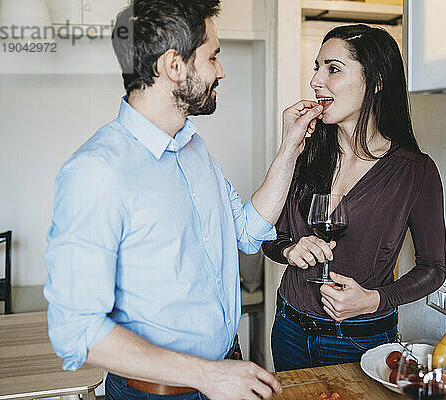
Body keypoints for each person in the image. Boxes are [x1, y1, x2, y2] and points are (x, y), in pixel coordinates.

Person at [43, 1, 323, 399]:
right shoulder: (96, 172)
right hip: (157, 393)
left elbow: (247, 231)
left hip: (223, 374)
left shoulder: (195, 149)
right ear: (174, 65)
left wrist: (291, 146)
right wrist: (206, 375)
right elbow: (78, 331)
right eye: (213, 56)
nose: (220, 71)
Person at [262, 24, 446, 371]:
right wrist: (289, 249)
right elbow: (268, 236)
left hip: (361, 341)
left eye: (333, 69)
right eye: (317, 67)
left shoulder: (414, 172)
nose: (316, 80)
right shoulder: (305, 153)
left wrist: (375, 299)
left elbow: (433, 269)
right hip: (289, 329)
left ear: (376, 81)